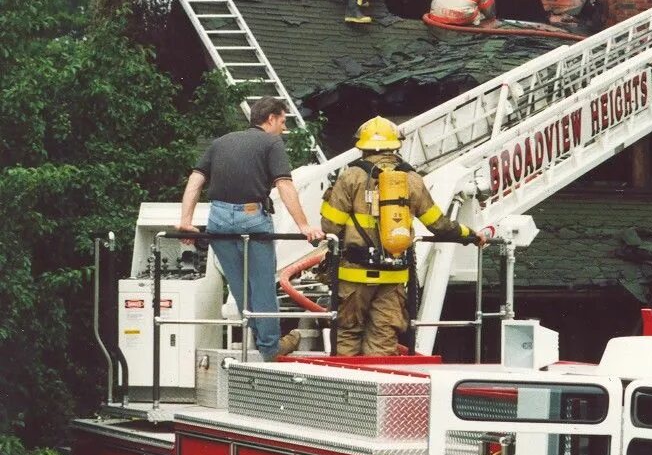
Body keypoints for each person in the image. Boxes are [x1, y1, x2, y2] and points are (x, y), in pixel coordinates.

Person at [319, 116, 489, 356]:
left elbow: (330, 226)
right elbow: (438, 224)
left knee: (347, 332)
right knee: (384, 336)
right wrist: (470, 234)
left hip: (353, 275)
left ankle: (349, 389)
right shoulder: (411, 179)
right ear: (396, 146)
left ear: (363, 147)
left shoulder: (351, 177)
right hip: (394, 275)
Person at [177, 99, 323, 361]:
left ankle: (261, 340)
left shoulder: (220, 142)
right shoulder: (271, 143)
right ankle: (270, 348)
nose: (283, 127)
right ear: (270, 119)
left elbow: (195, 180)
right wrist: (303, 226)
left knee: (239, 286)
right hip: (251, 217)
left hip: (218, 220)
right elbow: (285, 185)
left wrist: (186, 220)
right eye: (282, 121)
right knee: (263, 284)